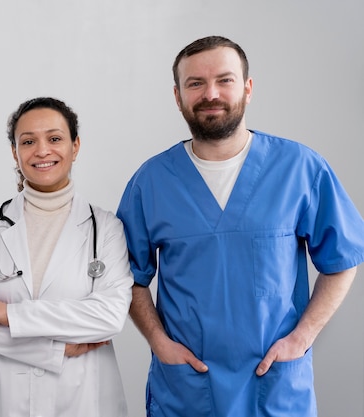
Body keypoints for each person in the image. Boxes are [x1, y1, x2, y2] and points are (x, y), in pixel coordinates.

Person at [116, 35, 364, 416]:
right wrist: (157, 340)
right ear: (178, 96)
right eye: (195, 83)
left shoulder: (299, 168)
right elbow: (126, 275)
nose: (210, 93)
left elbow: (344, 258)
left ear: (247, 89)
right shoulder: (152, 181)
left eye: (225, 80)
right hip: (188, 389)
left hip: (274, 385)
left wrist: (303, 337)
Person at [0, 97, 132, 417]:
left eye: (54, 138)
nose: (42, 150)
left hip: (83, 399)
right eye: (28, 141)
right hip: (3, 399)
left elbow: (109, 317)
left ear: (75, 146)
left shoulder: (105, 228)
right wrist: (56, 349)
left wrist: (9, 315)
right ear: (15, 151)